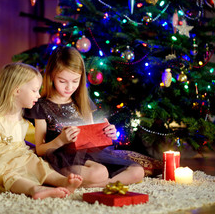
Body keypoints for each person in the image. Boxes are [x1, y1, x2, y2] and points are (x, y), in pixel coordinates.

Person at [0, 63, 82, 200]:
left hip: (18, 154)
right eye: (34, 90)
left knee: (36, 164)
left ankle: (62, 181)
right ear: (16, 90)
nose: (38, 96)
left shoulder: (21, 115)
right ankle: (35, 189)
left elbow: (18, 141)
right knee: (7, 175)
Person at [25, 46, 144, 187]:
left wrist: (106, 134)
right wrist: (61, 140)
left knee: (138, 171)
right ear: (51, 76)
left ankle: (104, 184)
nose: (69, 87)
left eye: (75, 81)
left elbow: (92, 141)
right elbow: (40, 149)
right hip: (62, 158)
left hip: (90, 156)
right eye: (62, 81)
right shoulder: (41, 106)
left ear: (81, 78)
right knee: (99, 172)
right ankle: (94, 181)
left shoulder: (83, 101)